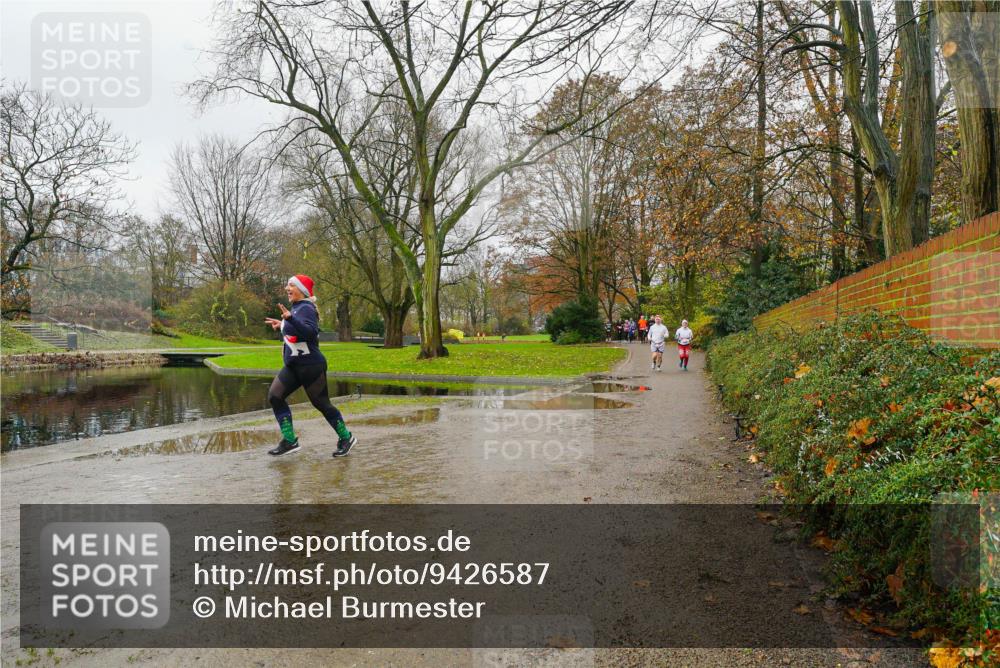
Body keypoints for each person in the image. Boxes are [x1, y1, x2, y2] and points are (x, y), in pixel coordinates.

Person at [264, 274, 357, 457]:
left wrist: (289, 319)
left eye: (291, 285)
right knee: (275, 396)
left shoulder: (306, 308)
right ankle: (290, 440)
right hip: (293, 367)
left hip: (311, 367)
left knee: (322, 404)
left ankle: (346, 437)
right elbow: (296, 330)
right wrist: (282, 324)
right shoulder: (297, 308)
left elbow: (310, 332)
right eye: (287, 285)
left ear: (302, 290)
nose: (287, 288)